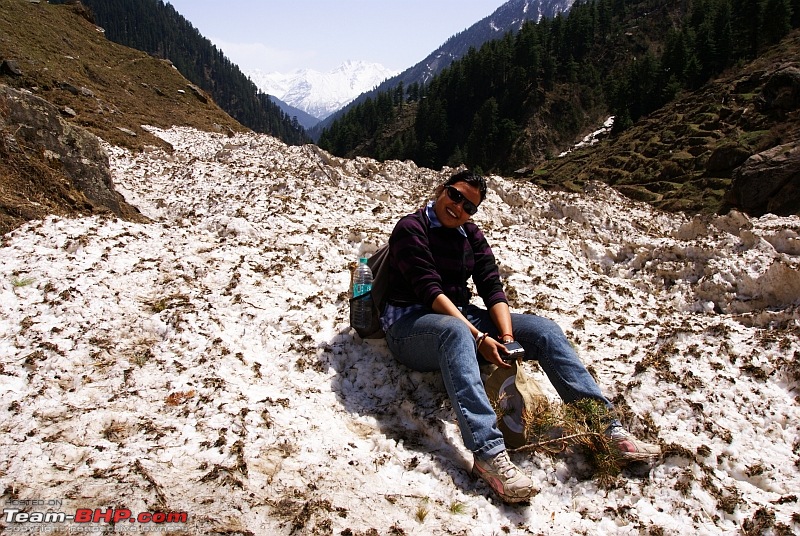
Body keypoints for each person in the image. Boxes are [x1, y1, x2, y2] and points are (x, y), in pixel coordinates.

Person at [380, 169, 660, 503]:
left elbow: (491, 285)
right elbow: (430, 292)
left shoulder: (470, 236)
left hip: (457, 313)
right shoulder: (412, 227)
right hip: (409, 323)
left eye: (469, 206)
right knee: (455, 333)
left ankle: (605, 426)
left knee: (544, 331)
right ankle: (488, 454)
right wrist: (479, 338)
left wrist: (507, 335)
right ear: (441, 189)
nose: (458, 208)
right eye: (455, 196)